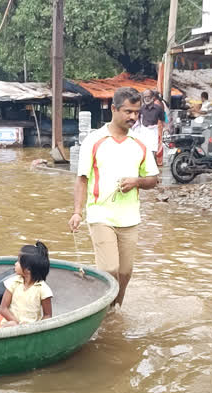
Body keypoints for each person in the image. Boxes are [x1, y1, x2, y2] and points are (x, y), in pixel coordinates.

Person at [68, 87, 159, 308]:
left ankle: (114, 309)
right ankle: (103, 311)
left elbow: (153, 179)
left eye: (136, 112)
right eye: (128, 111)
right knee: (109, 269)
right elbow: (82, 179)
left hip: (130, 217)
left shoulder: (140, 144)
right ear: (114, 109)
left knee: (125, 272)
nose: (133, 117)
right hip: (100, 214)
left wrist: (136, 181)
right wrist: (77, 212)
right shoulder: (94, 140)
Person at [0, 241, 53, 328]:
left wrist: (37, 328)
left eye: (18, 261)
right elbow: (3, 308)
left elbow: (47, 315)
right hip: (10, 325)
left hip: (32, 329)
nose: (15, 264)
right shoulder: (13, 283)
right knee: (12, 324)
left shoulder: (42, 289)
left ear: (28, 270)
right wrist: (16, 323)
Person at [134, 89, 166, 156]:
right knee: (143, 151)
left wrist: (166, 129)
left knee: (152, 151)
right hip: (144, 131)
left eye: (148, 96)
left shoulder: (158, 108)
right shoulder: (141, 108)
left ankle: (152, 165)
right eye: (145, 97)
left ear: (152, 97)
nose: (146, 98)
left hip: (154, 131)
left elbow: (164, 119)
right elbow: (137, 119)